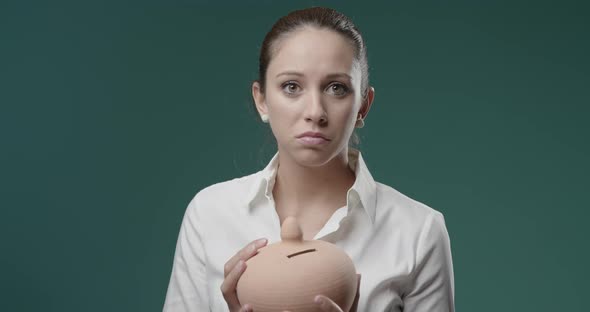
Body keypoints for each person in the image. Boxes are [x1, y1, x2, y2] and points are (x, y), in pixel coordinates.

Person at [163, 6, 454, 312]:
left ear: (363, 106)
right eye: (292, 86)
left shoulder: (419, 231)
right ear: (261, 100)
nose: (315, 111)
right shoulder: (209, 214)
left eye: (336, 88)